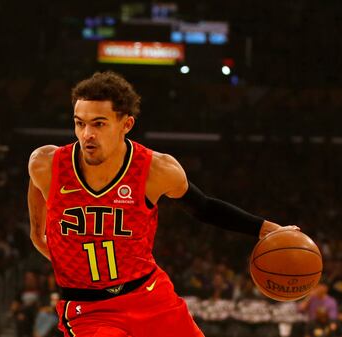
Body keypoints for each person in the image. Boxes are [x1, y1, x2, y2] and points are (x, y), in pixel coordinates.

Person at [27, 71, 297, 337]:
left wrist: (264, 229)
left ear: (126, 124)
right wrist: (72, 265)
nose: (87, 134)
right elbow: (38, 235)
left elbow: (203, 207)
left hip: (150, 296)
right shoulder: (46, 165)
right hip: (89, 310)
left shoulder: (156, 170)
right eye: (79, 123)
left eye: (99, 124)